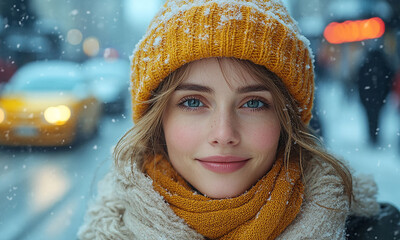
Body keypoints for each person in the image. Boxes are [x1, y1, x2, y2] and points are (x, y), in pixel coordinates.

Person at [78, 0, 382, 239]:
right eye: (193, 102)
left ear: (285, 120)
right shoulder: (104, 234)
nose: (224, 134)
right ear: (158, 122)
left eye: (253, 103)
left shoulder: (377, 231)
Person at [356, 49, 394, 145]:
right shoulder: (384, 65)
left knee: (369, 117)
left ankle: (371, 135)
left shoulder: (365, 65)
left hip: (368, 98)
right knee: (377, 117)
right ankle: (375, 136)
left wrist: (362, 97)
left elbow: (359, 82)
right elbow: (389, 80)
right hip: (379, 98)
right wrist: (385, 94)